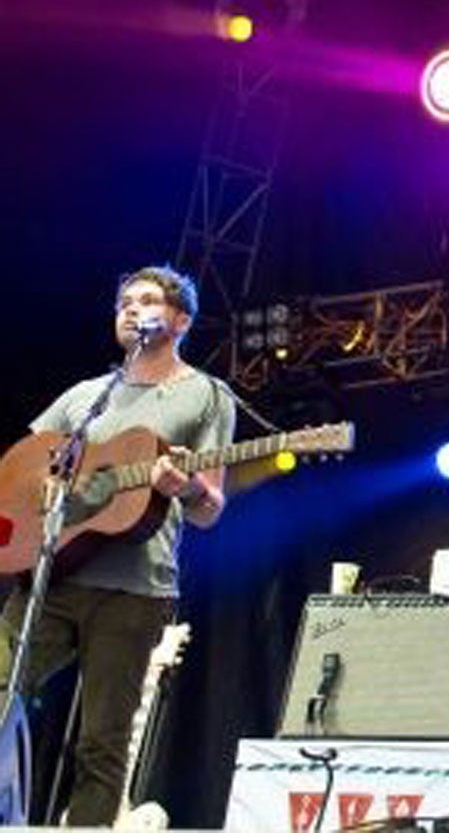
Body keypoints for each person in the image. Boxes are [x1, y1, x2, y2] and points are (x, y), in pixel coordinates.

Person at [0, 263, 234, 824]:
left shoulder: (206, 396)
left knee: (101, 744)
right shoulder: (87, 396)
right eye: (123, 302)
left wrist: (190, 487)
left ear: (180, 319)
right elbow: (23, 469)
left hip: (134, 592)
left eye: (147, 300)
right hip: (53, 579)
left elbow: (210, 511)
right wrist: (51, 490)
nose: (130, 309)